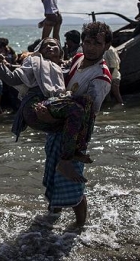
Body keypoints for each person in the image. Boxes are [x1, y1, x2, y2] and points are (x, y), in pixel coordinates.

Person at [40, 22, 113, 226]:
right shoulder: (79, 57)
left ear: (106, 46)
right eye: (87, 42)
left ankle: (80, 226)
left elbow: (88, 114)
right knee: (53, 173)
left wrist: (51, 117)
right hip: (57, 127)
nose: (90, 47)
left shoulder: (101, 77)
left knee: (72, 181)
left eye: (97, 43)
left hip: (76, 134)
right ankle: (52, 215)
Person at [0, 37, 95, 165]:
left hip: (52, 106)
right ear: (39, 51)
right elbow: (11, 79)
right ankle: (66, 159)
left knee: (87, 102)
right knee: (75, 109)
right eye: (45, 46)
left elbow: (80, 67)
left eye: (53, 45)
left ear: (60, 51)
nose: (49, 47)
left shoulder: (61, 68)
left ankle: (78, 148)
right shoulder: (35, 61)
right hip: (35, 107)